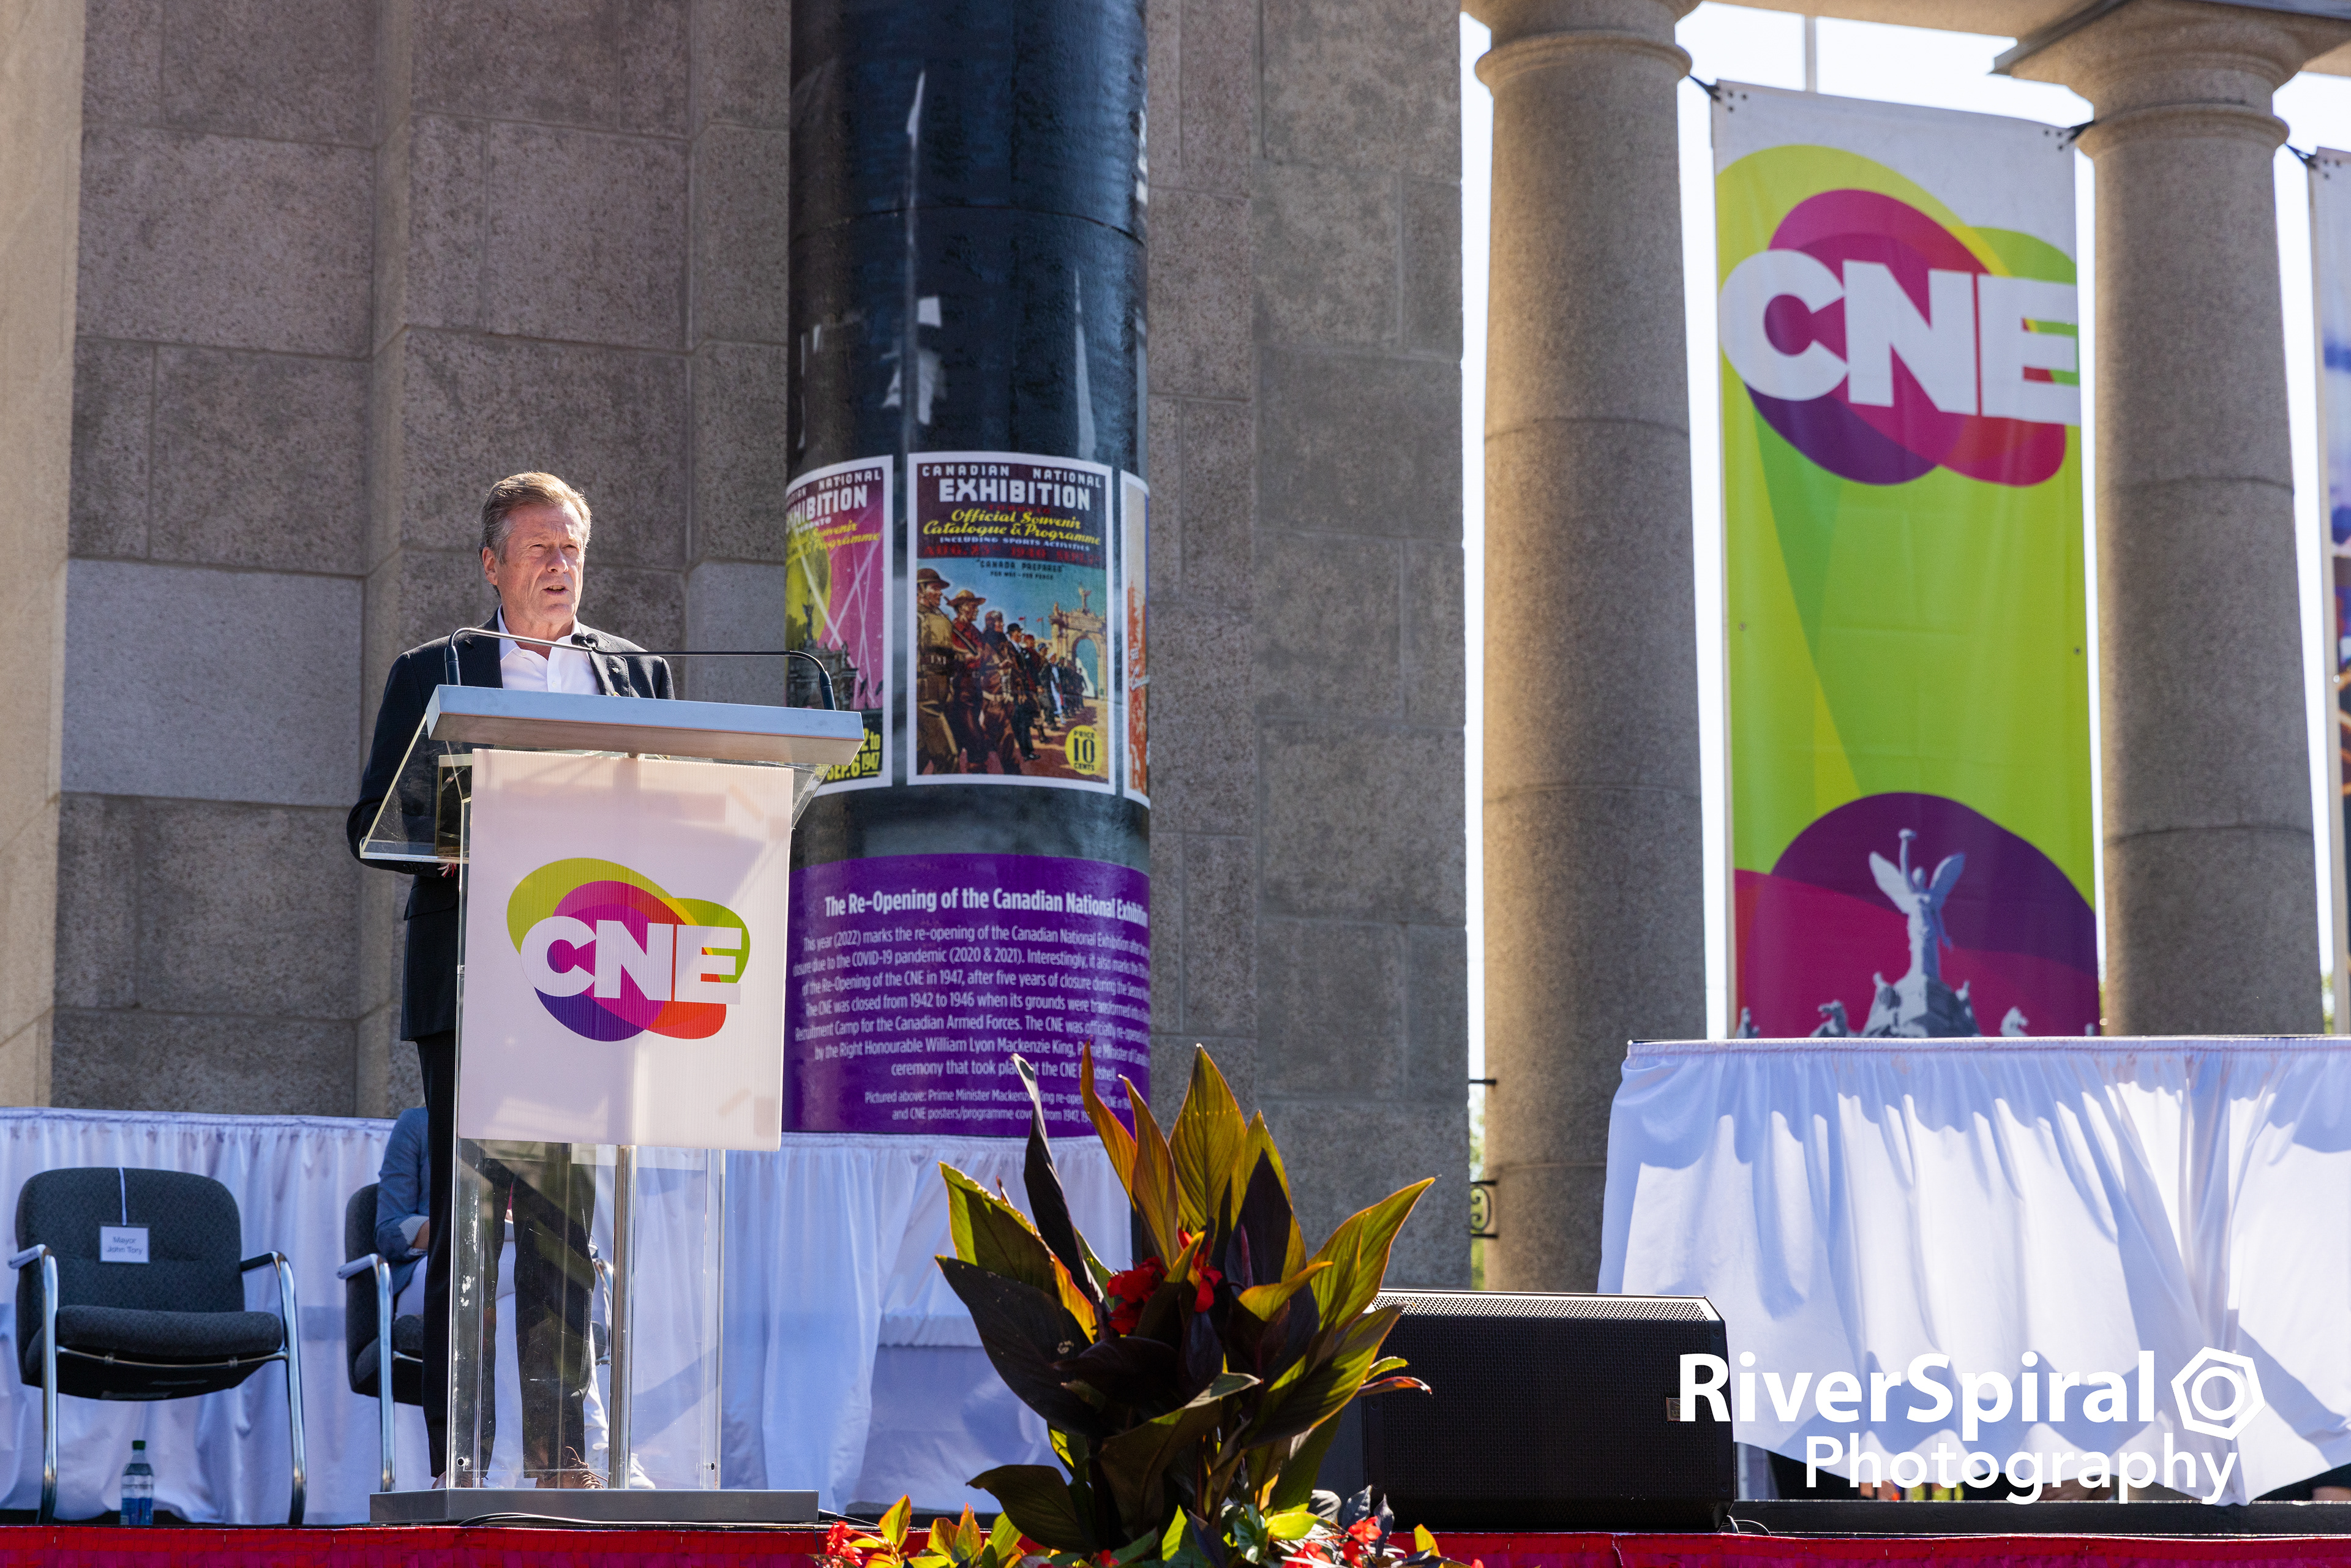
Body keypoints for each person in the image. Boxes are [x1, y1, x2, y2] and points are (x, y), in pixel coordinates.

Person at [347, 472, 671, 1488]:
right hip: (470, 973)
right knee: (470, 1228)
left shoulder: (635, 674)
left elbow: (667, 808)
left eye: (574, 548)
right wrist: (444, 837)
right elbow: (373, 818)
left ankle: (558, 1457)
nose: (561, 567)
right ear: (492, 564)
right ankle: (457, 1461)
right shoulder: (433, 668)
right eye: (542, 549)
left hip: (589, 979)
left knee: (566, 1231)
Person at [913, 568, 959, 774]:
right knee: (948, 757)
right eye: (935, 588)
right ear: (920, 590)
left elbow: (946, 659)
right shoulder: (913, 618)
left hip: (939, 696)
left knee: (920, 755)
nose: (940, 593)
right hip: (924, 699)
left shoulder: (939, 620)